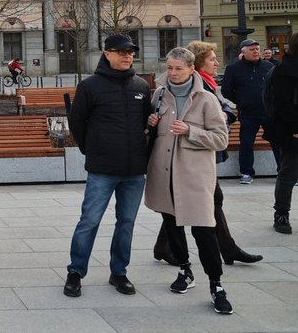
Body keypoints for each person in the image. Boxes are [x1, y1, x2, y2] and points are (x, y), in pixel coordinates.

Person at [153, 40, 263, 266]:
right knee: (203, 202)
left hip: (201, 157)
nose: (217, 62)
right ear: (198, 63)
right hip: (190, 159)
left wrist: (225, 115)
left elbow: (226, 109)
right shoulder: (194, 86)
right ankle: (224, 250)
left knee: (193, 203)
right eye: (212, 58)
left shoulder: (207, 86)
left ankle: (166, 246)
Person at [63, 34, 151, 298]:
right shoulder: (90, 86)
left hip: (134, 170)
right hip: (102, 169)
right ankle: (75, 272)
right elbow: (77, 122)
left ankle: (119, 272)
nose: (127, 56)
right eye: (122, 52)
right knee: (89, 221)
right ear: (107, 54)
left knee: (126, 222)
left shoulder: (141, 86)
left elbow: (147, 121)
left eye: (131, 52)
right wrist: (91, 150)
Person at [146, 47, 233, 315]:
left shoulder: (206, 99)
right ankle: (184, 270)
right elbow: (152, 133)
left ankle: (216, 285)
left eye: (178, 68)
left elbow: (221, 139)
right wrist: (150, 123)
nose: (172, 73)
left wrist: (190, 131)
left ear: (191, 69)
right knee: (171, 224)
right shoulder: (159, 95)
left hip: (194, 175)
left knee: (203, 229)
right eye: (169, 67)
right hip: (164, 172)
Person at [221, 39, 278, 184]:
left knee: (277, 142)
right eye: (252, 49)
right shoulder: (233, 69)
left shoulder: (268, 66)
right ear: (243, 52)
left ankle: (283, 172)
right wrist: (241, 100)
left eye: (257, 49)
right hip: (247, 114)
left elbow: (277, 87)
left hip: (268, 112)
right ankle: (247, 172)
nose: (256, 52)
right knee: (246, 143)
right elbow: (226, 90)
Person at [266, 31, 298, 235]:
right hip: (293, 132)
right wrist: (296, 129)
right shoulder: (286, 69)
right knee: (288, 174)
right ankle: (281, 214)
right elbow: (282, 104)